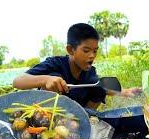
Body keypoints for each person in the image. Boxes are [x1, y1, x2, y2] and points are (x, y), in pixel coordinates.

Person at [13, 23, 141, 109]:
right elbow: (18, 81)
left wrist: (126, 92)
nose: (92, 55)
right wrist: (46, 80)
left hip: (77, 112)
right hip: (52, 111)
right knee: (55, 77)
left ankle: (87, 119)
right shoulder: (55, 63)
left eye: (95, 51)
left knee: (98, 87)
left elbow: (103, 87)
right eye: (86, 51)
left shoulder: (90, 72)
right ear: (71, 50)